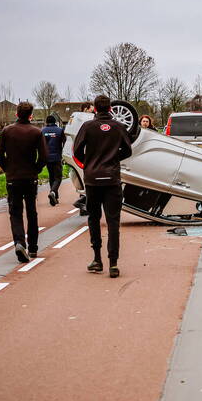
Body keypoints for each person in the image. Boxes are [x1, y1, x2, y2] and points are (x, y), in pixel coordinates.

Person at [72, 95, 132, 278]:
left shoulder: (87, 127)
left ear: (95, 109)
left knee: (94, 218)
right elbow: (128, 150)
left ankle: (97, 259)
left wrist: (89, 163)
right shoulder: (118, 127)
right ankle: (113, 263)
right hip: (112, 179)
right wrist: (114, 160)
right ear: (111, 109)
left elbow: (76, 150)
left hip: (92, 180)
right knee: (113, 221)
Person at [0, 101, 47, 263]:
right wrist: (36, 170)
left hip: (13, 178)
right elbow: (44, 157)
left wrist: (8, 170)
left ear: (17, 114)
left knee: (15, 212)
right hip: (30, 178)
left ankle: (19, 242)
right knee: (32, 212)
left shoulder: (7, 131)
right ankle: (33, 247)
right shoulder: (36, 132)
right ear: (31, 115)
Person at [73, 102, 96, 214]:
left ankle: (84, 202)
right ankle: (84, 202)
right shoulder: (83, 121)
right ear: (85, 109)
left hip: (84, 154)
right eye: (91, 110)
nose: (93, 113)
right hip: (85, 154)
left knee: (85, 178)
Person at [41, 115, 66, 206]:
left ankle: (55, 197)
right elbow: (65, 142)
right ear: (55, 122)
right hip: (57, 157)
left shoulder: (43, 131)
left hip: (47, 158)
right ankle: (53, 192)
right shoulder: (60, 130)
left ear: (46, 122)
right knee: (58, 177)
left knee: (51, 176)